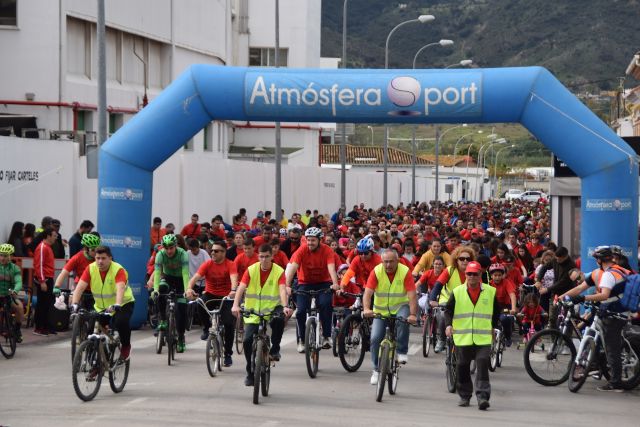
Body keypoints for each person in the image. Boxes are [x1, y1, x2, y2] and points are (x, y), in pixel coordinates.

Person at [561, 246, 630, 392]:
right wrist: (563, 297)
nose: (595, 261)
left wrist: (584, 297)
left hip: (615, 314)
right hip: (610, 311)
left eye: (596, 258)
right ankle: (596, 365)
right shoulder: (606, 272)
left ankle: (616, 382)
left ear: (599, 259)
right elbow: (580, 288)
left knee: (612, 349)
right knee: (601, 341)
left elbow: (604, 295)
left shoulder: (609, 274)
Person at [232, 244, 291, 386]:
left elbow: (282, 289)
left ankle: (275, 349)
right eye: (261, 257)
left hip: (272, 308)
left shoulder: (279, 271)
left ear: (272, 256)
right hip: (253, 311)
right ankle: (250, 372)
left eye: (267, 257)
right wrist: (235, 305)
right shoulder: (251, 270)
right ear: (258, 257)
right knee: (246, 341)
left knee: (279, 320)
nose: (264, 260)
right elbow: (241, 288)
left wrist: (284, 306)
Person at [444, 260, 500, 410]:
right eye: (469, 274)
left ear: (480, 274)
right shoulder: (457, 292)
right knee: (462, 365)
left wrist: (493, 328)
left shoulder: (490, 291)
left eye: (475, 274)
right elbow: (448, 311)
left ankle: (482, 397)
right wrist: (448, 325)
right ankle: (464, 396)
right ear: (465, 274)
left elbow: (496, 312)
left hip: (483, 337)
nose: (472, 277)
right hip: (463, 337)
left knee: (482, 362)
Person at [363, 249, 418, 385]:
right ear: (382, 261)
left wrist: (412, 314)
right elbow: (368, 293)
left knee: (403, 321)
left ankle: (401, 351)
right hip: (381, 311)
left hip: (401, 307)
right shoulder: (376, 271)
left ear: (397, 261)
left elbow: (412, 295)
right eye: (385, 262)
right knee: (375, 338)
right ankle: (376, 369)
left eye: (391, 261)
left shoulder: (404, 271)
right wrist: (366, 309)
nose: (388, 265)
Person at [71, 246, 135, 361]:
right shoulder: (90, 268)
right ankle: (95, 364)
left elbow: (120, 288)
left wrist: (117, 304)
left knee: (121, 323)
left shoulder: (118, 269)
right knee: (91, 331)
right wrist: (75, 304)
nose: (100, 261)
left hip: (123, 303)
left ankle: (126, 346)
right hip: (101, 307)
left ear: (110, 258)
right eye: (97, 258)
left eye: (103, 258)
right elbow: (79, 288)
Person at [285, 227, 340, 353]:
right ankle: (301, 340)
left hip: (323, 283)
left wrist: (335, 283)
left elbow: (331, 268)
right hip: (305, 283)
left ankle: (326, 336)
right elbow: (293, 268)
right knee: (301, 311)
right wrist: (287, 285)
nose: (310, 243)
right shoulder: (302, 250)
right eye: (308, 240)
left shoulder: (327, 250)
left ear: (320, 240)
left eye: (313, 240)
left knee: (326, 305)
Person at [187, 240, 238, 367]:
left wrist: (233, 290)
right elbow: (194, 278)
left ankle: (227, 354)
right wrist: (189, 289)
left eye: (216, 251)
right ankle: (206, 328)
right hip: (210, 294)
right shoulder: (207, 264)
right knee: (199, 303)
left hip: (226, 296)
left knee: (228, 324)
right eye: (212, 250)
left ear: (224, 252)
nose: (213, 253)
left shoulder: (230, 264)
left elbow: (234, 278)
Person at [429, 246, 477, 352]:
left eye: (468, 259)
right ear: (456, 259)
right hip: (447, 300)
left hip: (465, 302)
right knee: (442, 315)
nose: (465, 261)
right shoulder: (449, 270)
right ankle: (441, 340)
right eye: (461, 258)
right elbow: (437, 286)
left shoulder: (474, 272)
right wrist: (432, 299)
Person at [153, 234, 190, 353]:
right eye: (166, 248)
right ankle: (163, 319)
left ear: (175, 246)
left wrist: (186, 290)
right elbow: (158, 273)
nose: (169, 251)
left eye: (171, 247)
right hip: (168, 278)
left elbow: (185, 273)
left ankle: (180, 338)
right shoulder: (160, 255)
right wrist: (155, 290)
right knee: (161, 290)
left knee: (181, 310)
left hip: (180, 281)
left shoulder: (183, 254)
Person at [54, 233, 101, 310]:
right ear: (86, 249)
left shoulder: (100, 258)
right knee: (73, 306)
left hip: (94, 289)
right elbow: (64, 273)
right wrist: (57, 286)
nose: (96, 253)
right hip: (79, 285)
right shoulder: (77, 257)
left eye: (97, 250)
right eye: (93, 250)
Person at [33, 227, 58, 336]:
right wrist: (42, 281)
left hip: (48, 279)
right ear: (48, 236)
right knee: (42, 304)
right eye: (54, 236)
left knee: (47, 304)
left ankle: (46, 326)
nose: (55, 238)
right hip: (44, 280)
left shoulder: (47, 247)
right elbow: (39, 265)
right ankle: (39, 328)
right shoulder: (42, 247)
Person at [0, 244, 25, 342]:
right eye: (1, 255)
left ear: (11, 256)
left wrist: (15, 290)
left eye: (5, 256)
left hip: (8, 296)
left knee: (19, 307)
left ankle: (17, 330)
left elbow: (18, 281)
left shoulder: (15, 268)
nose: (2, 258)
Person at [488, 263, 517, 347]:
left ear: (503, 275)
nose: (497, 277)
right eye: (495, 275)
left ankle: (508, 337)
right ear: (491, 276)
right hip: (492, 306)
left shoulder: (506, 282)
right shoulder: (489, 284)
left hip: (504, 306)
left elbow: (512, 295)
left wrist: (514, 308)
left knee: (505, 319)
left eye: (500, 275)